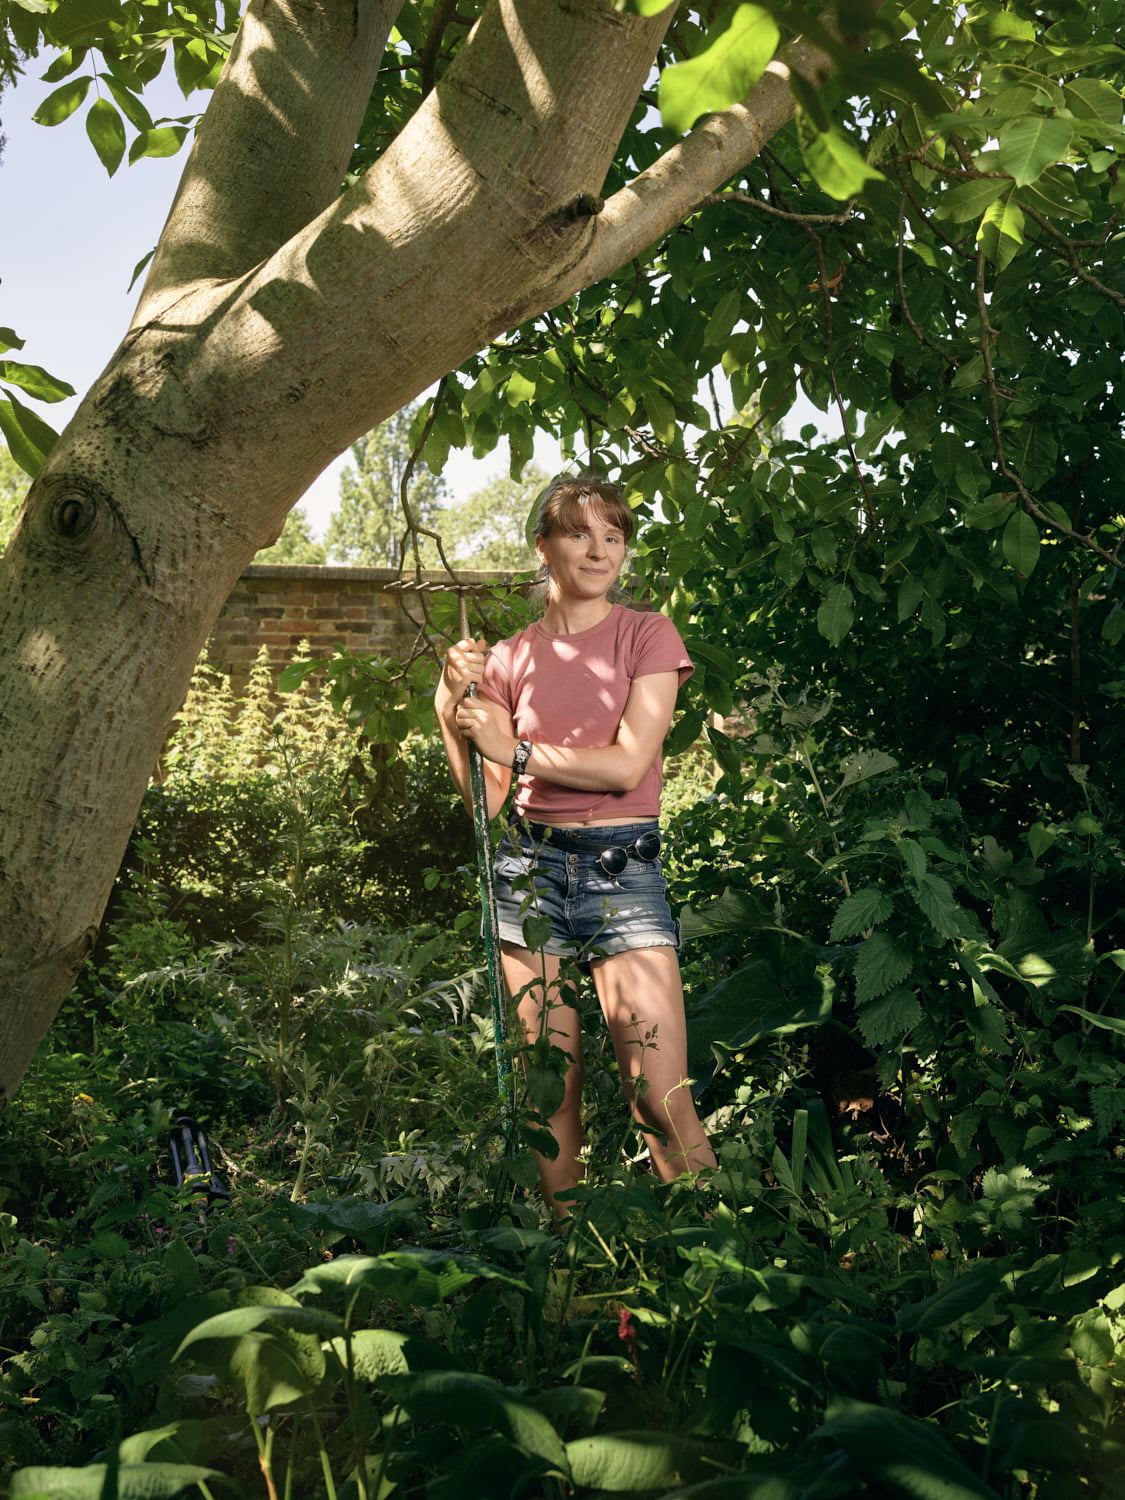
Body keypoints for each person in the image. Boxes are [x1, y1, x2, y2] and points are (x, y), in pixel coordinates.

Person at [435, 475, 715, 1218]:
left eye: (613, 536)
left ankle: (717, 1263)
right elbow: (484, 804)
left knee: (657, 1093)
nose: (599, 550)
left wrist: (517, 749)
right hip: (527, 869)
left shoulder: (646, 634)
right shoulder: (505, 659)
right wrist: (446, 708)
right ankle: (574, 1273)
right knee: (546, 1089)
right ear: (543, 546)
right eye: (579, 533)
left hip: (620, 867)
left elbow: (627, 765)